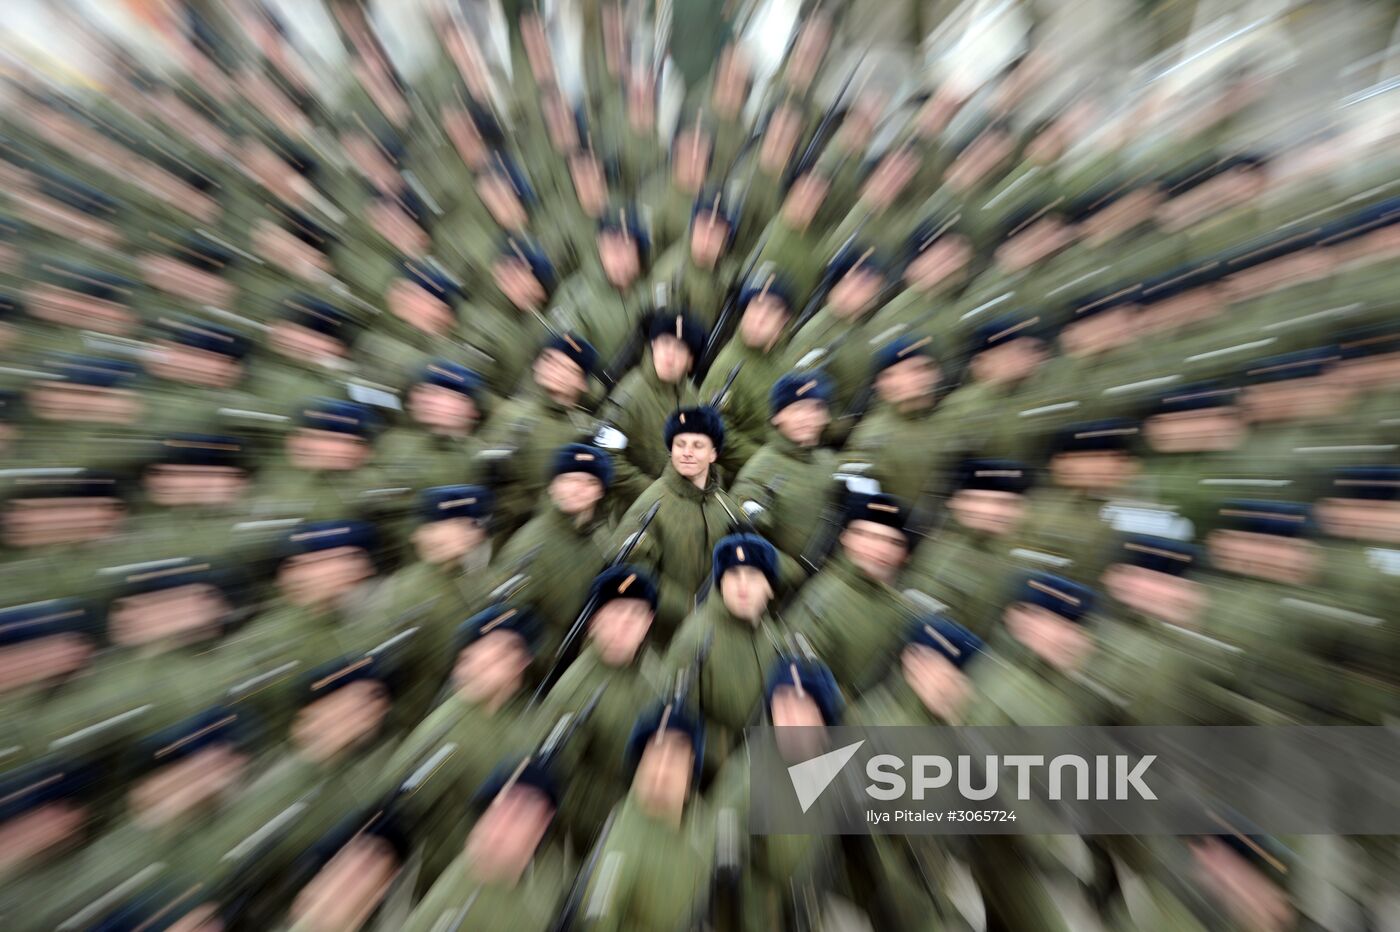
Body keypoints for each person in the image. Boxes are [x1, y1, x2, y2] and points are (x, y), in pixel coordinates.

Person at [538, 565, 664, 844]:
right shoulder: (574, 692)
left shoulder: (654, 671)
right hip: (591, 832)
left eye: (636, 614)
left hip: (643, 817)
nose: (626, 623)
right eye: (616, 612)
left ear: (648, 623)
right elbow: (553, 778)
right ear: (594, 622)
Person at [578, 702, 714, 932]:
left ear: (692, 766)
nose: (663, 766)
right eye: (655, 752)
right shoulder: (619, 848)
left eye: (676, 753)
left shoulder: (707, 819)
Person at [613, 406, 744, 636]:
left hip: (716, 628)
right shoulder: (652, 504)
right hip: (664, 635)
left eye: (697, 445)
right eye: (680, 444)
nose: (687, 452)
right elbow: (632, 571)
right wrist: (688, 608)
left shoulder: (724, 504)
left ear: (714, 454)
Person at [402, 758, 572, 931]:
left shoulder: (551, 895)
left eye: (519, 814)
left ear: (542, 824)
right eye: (495, 809)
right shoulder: (462, 872)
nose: (501, 825)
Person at [666, 533, 785, 769]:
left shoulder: (773, 634)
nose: (742, 586)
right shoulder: (695, 639)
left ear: (770, 588)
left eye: (752, 576)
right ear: (720, 584)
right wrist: (729, 750)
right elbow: (674, 721)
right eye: (733, 575)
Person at [493, 443, 614, 658]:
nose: (577, 489)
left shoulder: (600, 535)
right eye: (568, 480)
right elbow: (507, 624)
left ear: (600, 492)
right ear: (552, 486)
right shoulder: (529, 545)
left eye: (589, 482)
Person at [789, 492, 917, 689]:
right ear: (846, 537)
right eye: (869, 535)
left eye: (894, 541)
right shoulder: (822, 603)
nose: (881, 549)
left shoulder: (900, 605)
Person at [476, 332, 600, 533]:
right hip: (518, 533)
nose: (554, 369)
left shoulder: (585, 426)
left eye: (567, 368)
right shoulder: (513, 417)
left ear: (582, 383)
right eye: (549, 359)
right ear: (537, 365)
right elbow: (489, 486)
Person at [729, 371, 838, 587]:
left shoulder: (829, 461)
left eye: (815, 409)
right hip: (793, 593)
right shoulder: (760, 470)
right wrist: (794, 573)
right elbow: (744, 537)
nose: (808, 418)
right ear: (777, 417)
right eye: (797, 409)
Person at [596, 310, 705, 506]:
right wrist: (652, 491)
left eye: (679, 348)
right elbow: (607, 456)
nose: (669, 356)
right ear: (653, 346)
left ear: (690, 361)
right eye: (664, 344)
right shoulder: (628, 397)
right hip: (638, 505)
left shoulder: (691, 394)